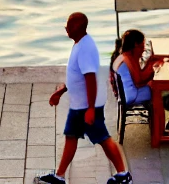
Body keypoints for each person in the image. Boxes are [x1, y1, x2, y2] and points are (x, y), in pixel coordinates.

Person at [37, 12, 132, 184]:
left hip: (87, 105)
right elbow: (78, 76)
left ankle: (123, 175)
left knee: (103, 138)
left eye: (69, 24)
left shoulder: (85, 48)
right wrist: (62, 90)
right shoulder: (80, 44)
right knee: (71, 136)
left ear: (78, 27)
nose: (66, 27)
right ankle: (59, 176)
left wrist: (90, 109)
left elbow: (90, 79)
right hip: (80, 104)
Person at [111, 30, 158, 107]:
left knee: (153, 86)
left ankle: (158, 118)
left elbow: (138, 77)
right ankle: (158, 118)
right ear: (136, 44)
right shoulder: (128, 59)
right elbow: (139, 81)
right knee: (157, 90)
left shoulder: (122, 57)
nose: (143, 49)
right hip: (132, 95)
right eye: (142, 45)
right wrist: (152, 69)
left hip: (124, 95)